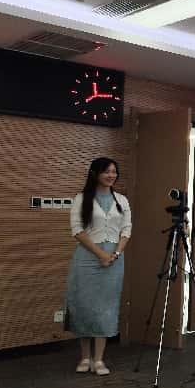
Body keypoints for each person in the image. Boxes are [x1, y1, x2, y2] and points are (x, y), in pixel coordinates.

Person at [66, 157, 131, 376]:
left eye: (114, 171)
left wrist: (116, 253)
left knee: (106, 307)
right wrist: (101, 254)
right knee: (85, 306)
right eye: (106, 172)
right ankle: (85, 357)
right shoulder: (81, 198)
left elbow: (126, 230)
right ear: (95, 173)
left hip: (114, 259)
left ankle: (99, 359)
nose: (111, 175)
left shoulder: (122, 200)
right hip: (86, 258)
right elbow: (77, 230)